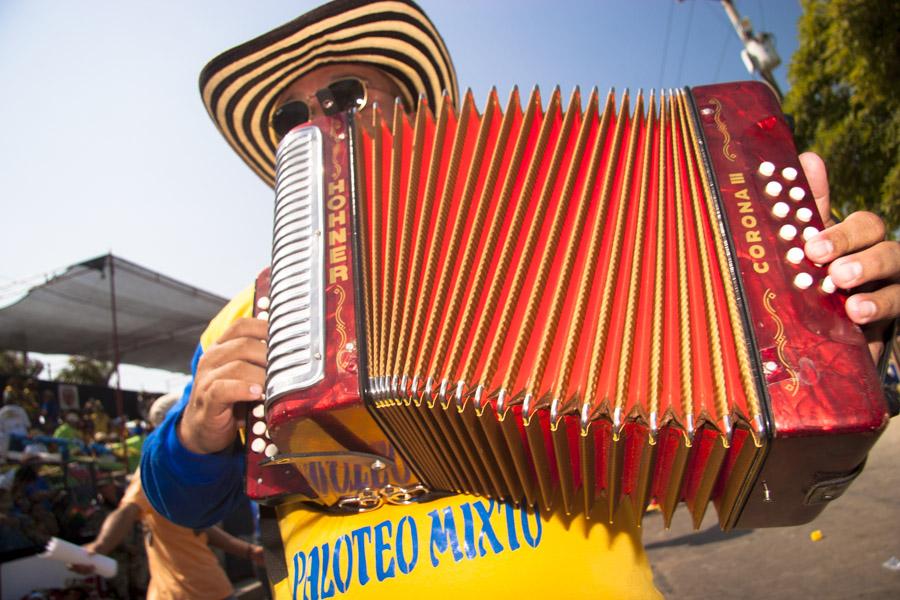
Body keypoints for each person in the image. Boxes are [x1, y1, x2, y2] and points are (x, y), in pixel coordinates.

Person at [140, 1, 900, 598]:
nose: (317, 122)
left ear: (405, 118)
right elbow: (176, 500)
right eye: (288, 117)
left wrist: (822, 341)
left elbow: (735, 425)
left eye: (342, 93)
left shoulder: (559, 244)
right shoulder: (243, 316)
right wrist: (198, 433)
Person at [73, 395, 264, 599]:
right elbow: (127, 511)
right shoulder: (157, 471)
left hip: (201, 588)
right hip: (186, 591)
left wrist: (249, 551)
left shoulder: (185, 472)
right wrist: (99, 546)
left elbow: (199, 529)